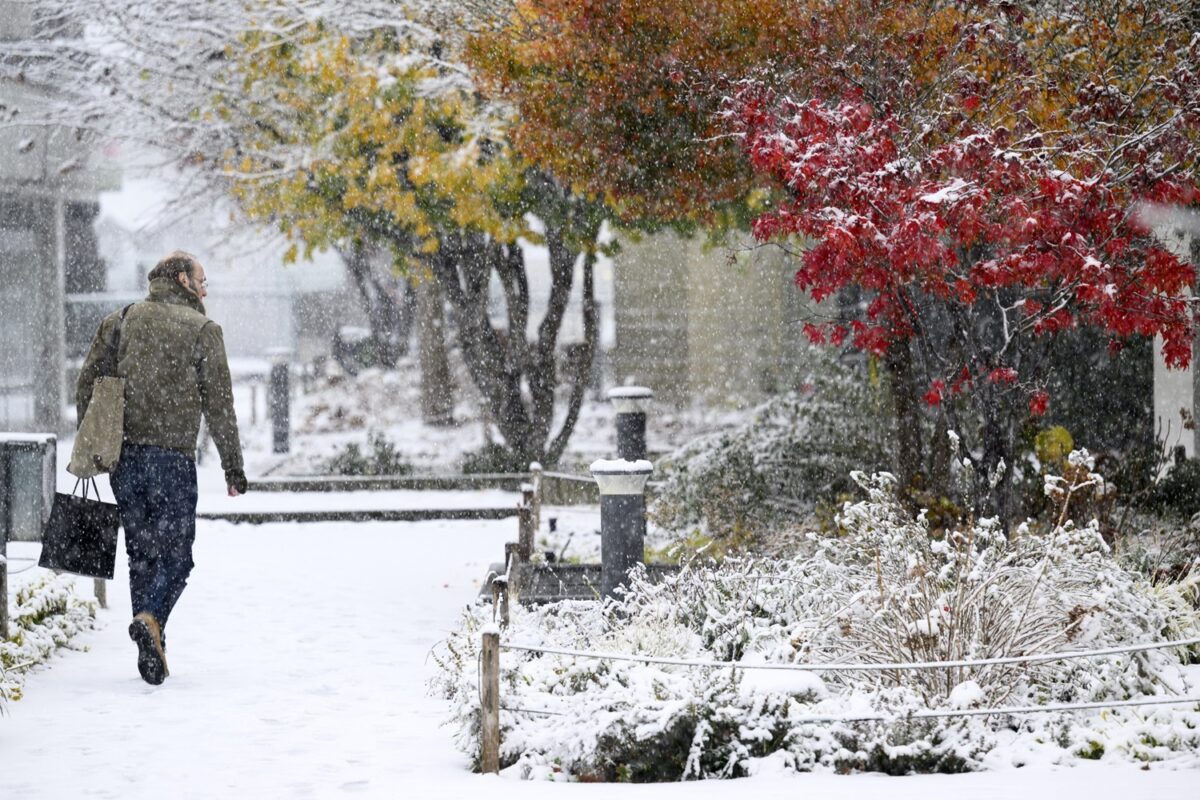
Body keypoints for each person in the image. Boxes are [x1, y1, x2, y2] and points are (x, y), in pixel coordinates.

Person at [76, 251, 247, 685]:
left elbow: (86, 383)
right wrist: (233, 467)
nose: (206, 289)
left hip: (126, 460)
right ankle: (152, 619)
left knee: (142, 554)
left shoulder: (119, 321)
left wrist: (97, 443)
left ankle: (152, 643)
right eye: (202, 280)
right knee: (179, 556)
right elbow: (220, 405)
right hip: (172, 459)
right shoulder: (204, 331)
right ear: (183, 281)